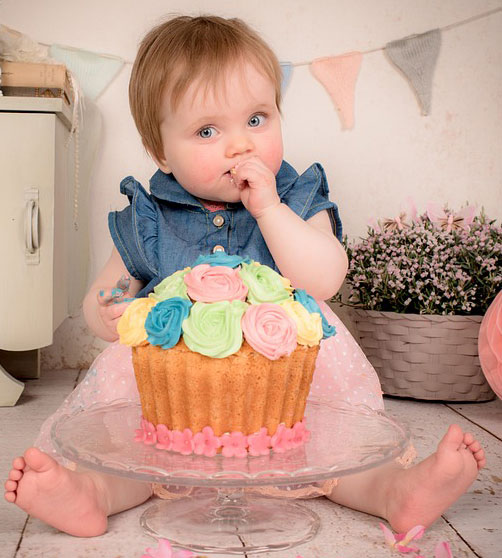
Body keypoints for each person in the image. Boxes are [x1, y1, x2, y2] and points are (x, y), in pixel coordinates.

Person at [4, 15, 485, 538]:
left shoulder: (297, 196)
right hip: (177, 398)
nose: (240, 146)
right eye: (208, 131)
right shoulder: (152, 215)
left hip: (292, 389)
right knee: (132, 451)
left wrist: (271, 210)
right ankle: (89, 494)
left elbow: (326, 276)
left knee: (333, 454)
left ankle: (397, 492)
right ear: (161, 151)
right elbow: (106, 294)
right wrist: (109, 306)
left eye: (256, 119)